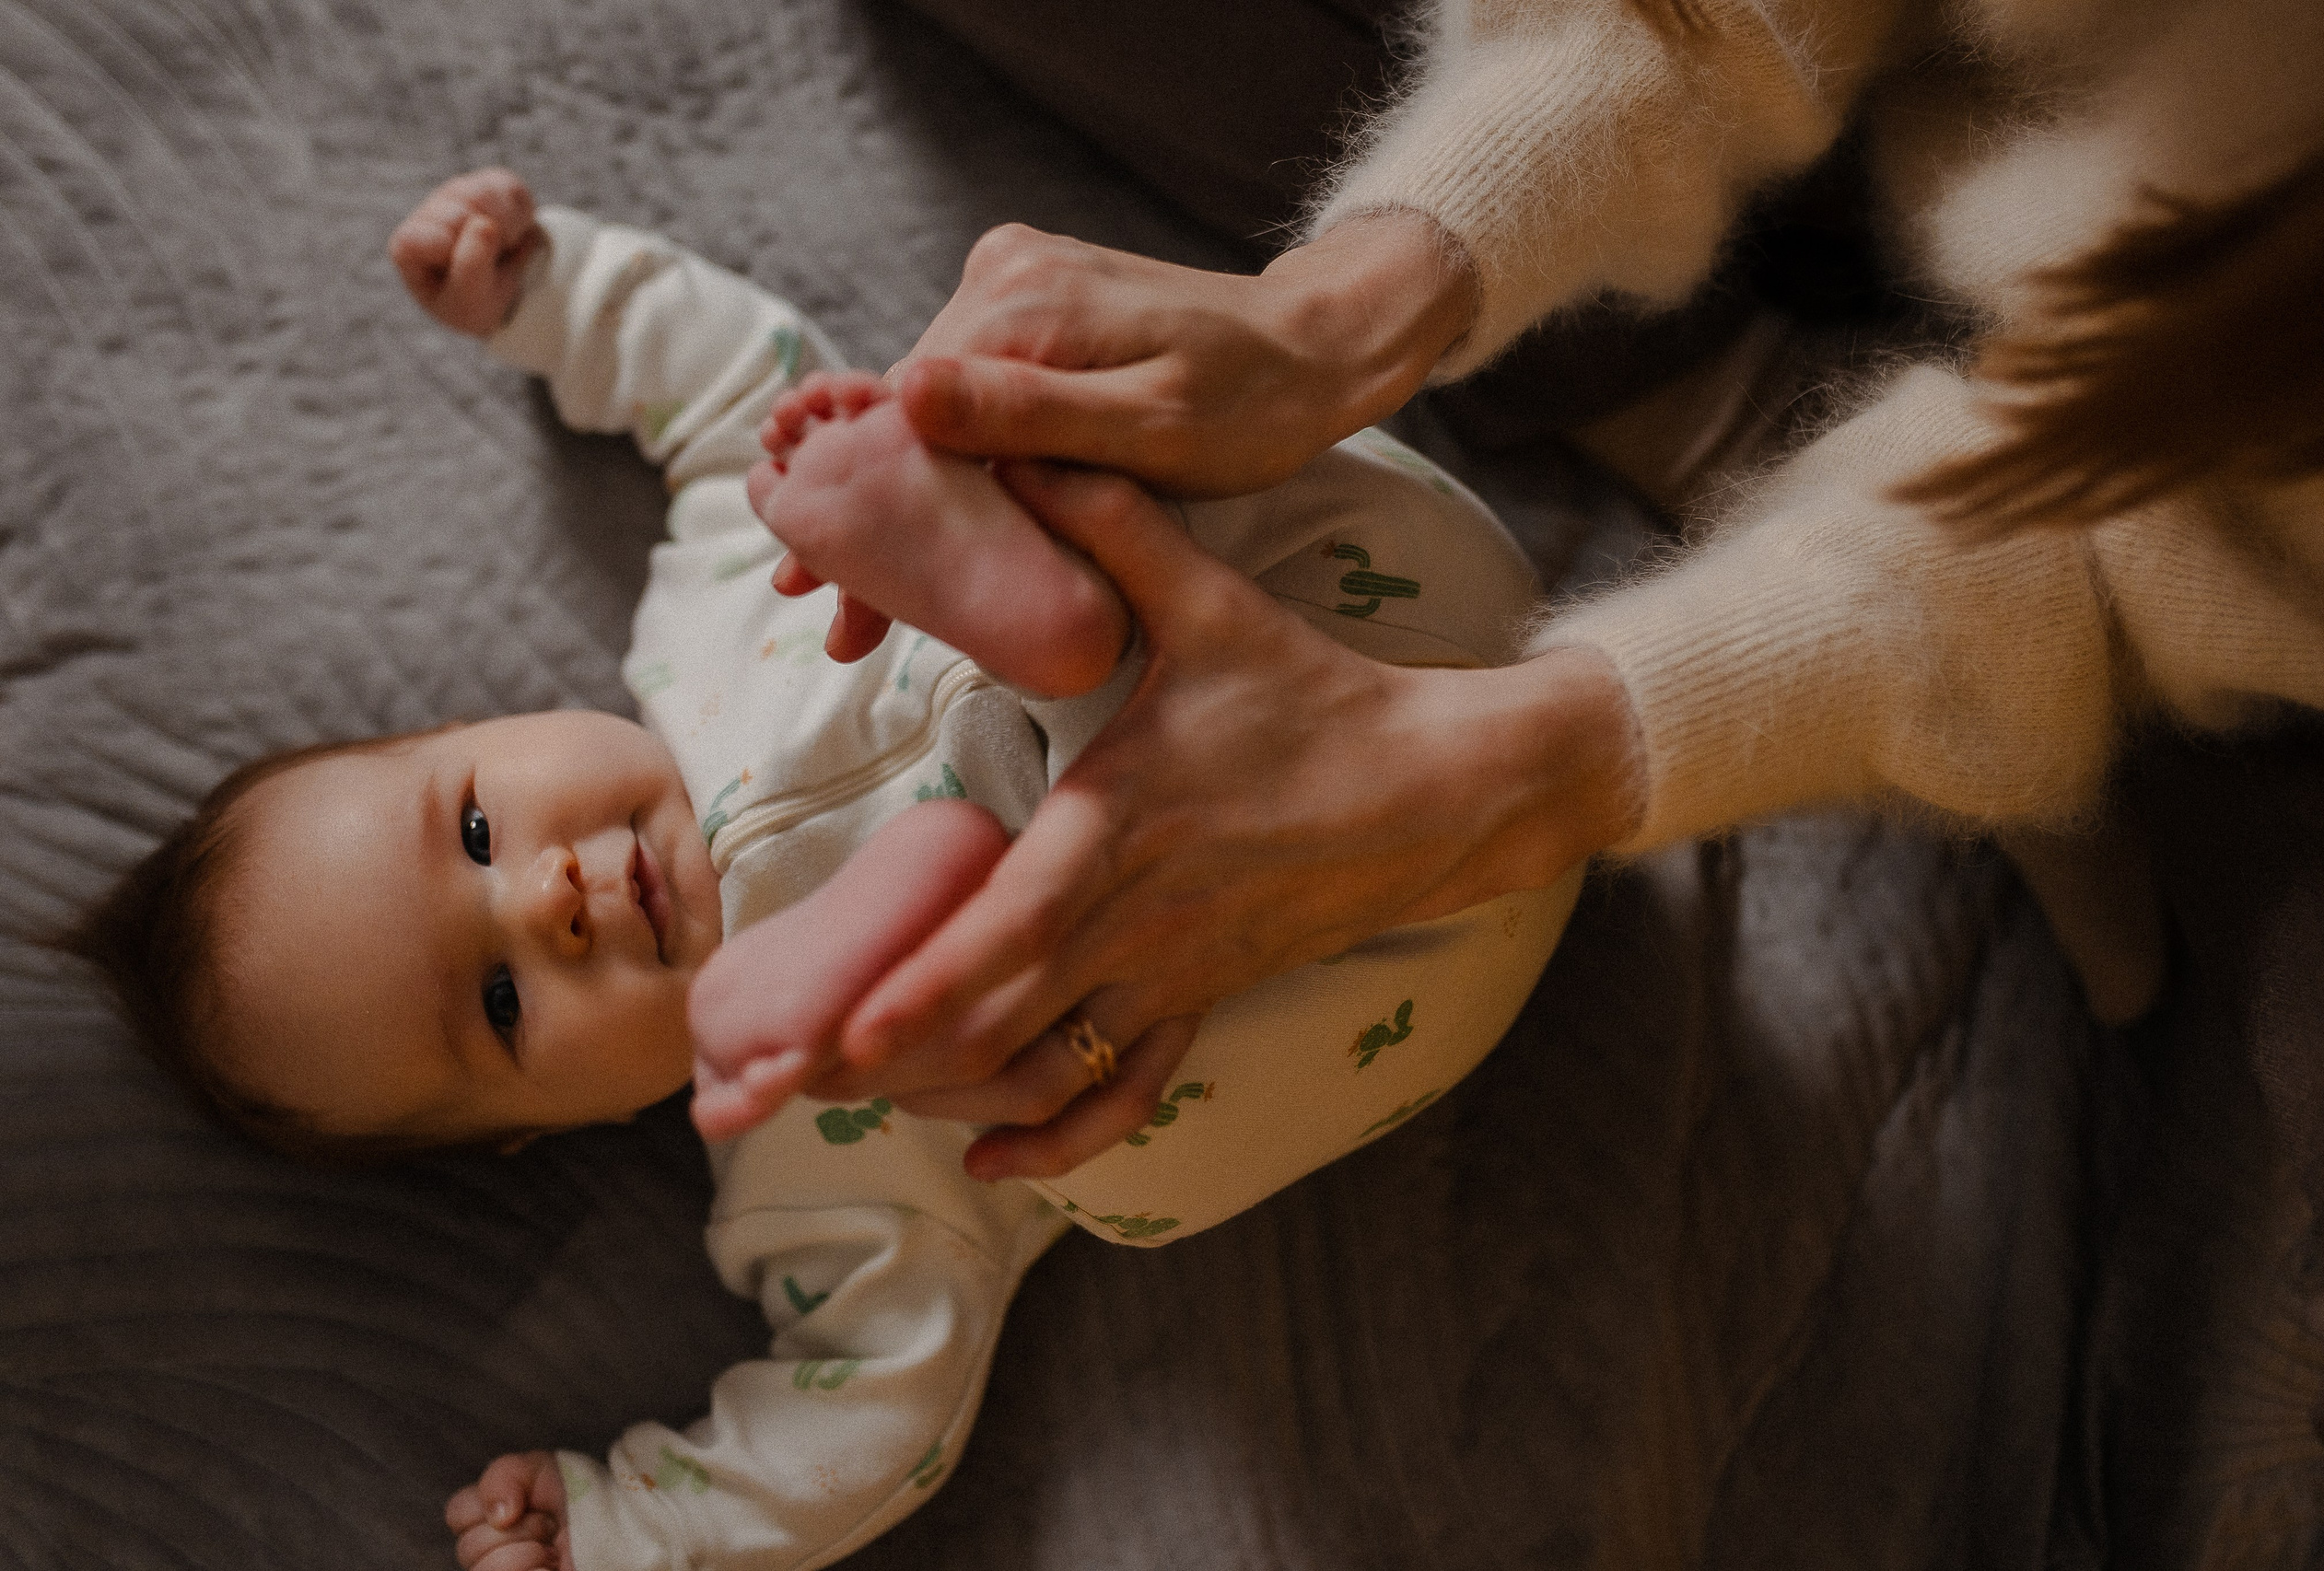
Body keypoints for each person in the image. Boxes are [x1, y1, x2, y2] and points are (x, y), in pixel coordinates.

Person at [60, 168, 1577, 1571]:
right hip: (1423, 908)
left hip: (1341, 564)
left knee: (893, 448)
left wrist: (546, 287)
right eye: (502, 1002)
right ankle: (1019, 714)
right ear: (549, 1126)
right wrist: (628, 1528)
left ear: (476, 728)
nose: (545, 900)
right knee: (1083, 1139)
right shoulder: (808, 1187)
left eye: (471, 829)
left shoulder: (705, 599)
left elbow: (733, 381)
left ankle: (1040, 637)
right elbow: (872, 1409)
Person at [747, 0, 2324, 1190]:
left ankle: (1977, 653)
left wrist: (1545, 761)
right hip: (1986, 196)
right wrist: (1346, 303)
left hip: (2232, 508)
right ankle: (1727, 430)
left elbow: (2150, 560)